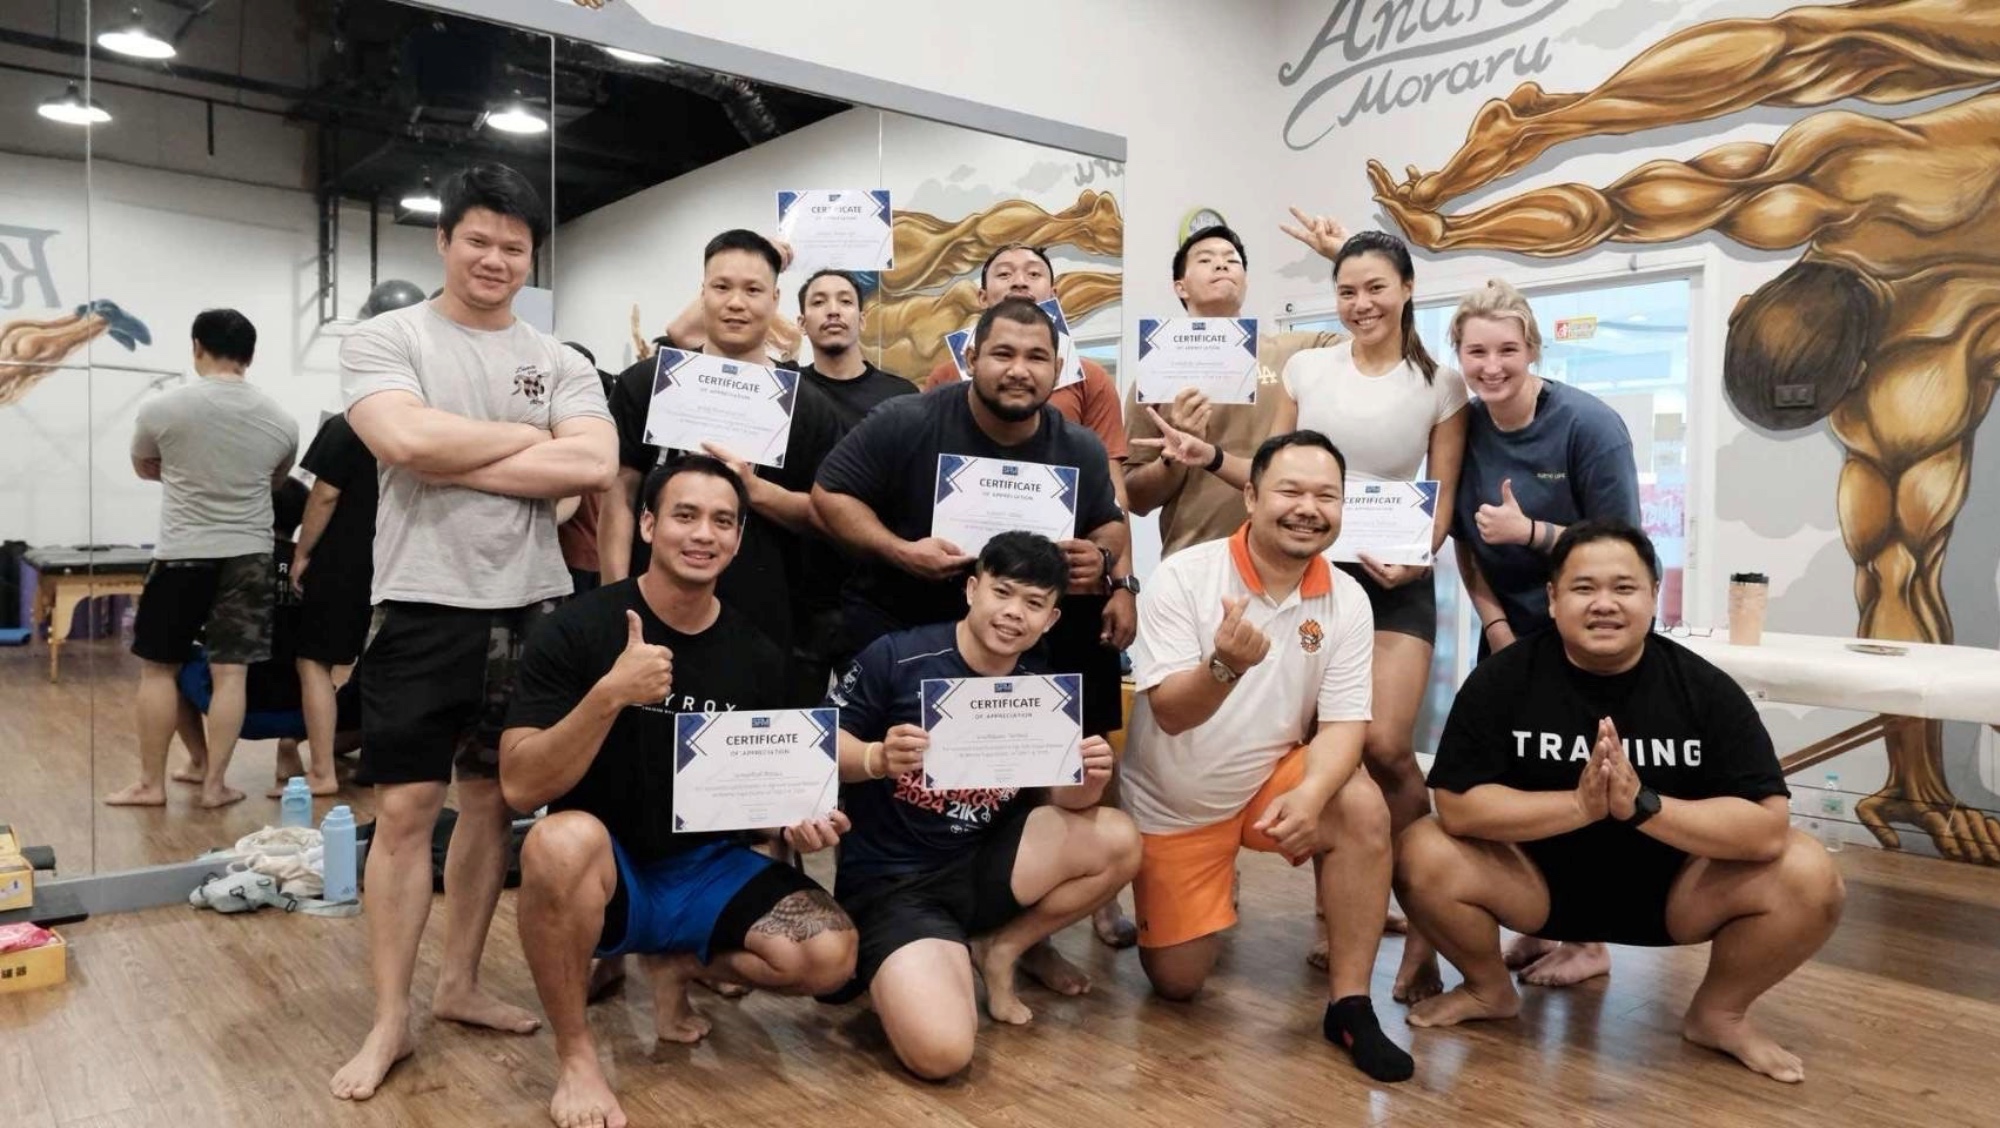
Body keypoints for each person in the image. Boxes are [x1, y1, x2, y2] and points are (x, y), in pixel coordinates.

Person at [329, 163, 617, 1102]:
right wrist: (533, 446)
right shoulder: (387, 337)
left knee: (492, 802)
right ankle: (390, 1019)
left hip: (533, 602)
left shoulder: (560, 356)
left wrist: (457, 446)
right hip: (418, 601)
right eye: (478, 240)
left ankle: (456, 988)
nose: (495, 259)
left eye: (514, 246)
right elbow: (403, 445)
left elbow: (599, 461)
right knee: (408, 815)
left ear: (533, 257)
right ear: (444, 241)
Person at [1131, 225, 1467, 996]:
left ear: (1410, 289)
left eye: (1377, 287)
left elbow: (1442, 492)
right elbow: (1274, 468)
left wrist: (1422, 552)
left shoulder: (1441, 384)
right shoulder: (1306, 365)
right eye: (1346, 290)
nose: (1360, 302)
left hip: (1392, 576)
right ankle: (1330, 910)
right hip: (1309, 564)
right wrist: (1207, 455)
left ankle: (1425, 915)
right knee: (1304, 739)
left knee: (1380, 747)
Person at [1399, 521, 1844, 1084]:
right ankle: (1489, 990)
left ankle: (1718, 1014)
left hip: (1679, 895)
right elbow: (1458, 806)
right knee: (1422, 848)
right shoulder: (1504, 679)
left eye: (1624, 588)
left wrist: (1643, 806)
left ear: (1655, 596)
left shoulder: (1702, 689)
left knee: (1809, 872)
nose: (1604, 604)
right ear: (1553, 599)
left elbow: (1766, 828)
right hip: (1535, 888)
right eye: (1584, 588)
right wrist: (1580, 806)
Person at [503, 455, 857, 1128]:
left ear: (739, 539)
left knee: (830, 954)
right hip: (609, 867)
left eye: (723, 521)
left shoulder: (757, 652)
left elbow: (777, 782)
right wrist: (610, 694)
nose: (703, 535)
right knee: (557, 839)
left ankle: (677, 964)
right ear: (646, 524)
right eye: (685, 516)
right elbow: (521, 785)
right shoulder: (579, 630)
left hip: (704, 868)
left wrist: (799, 819)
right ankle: (577, 1056)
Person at [814, 296, 1133, 976]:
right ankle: (878, 929)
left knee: (1006, 788)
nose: (1019, 371)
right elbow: (831, 495)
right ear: (972, 358)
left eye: (1037, 357)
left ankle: (1013, 936)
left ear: (1058, 367)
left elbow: (1110, 525)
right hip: (896, 630)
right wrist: (901, 550)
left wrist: (1103, 563)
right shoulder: (909, 420)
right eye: (1004, 354)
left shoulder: (1075, 446)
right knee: (888, 790)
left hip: (1011, 647)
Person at [1122, 430, 1413, 1083]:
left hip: (1269, 784)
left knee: (1358, 802)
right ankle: (1212, 880)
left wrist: (1310, 799)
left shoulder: (1348, 598)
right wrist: (1224, 665)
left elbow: (1343, 726)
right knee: (1177, 984)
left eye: (1326, 496)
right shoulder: (1183, 577)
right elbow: (1171, 713)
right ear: (1251, 496)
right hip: (1177, 804)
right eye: (1290, 490)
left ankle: (1350, 1005)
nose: (1307, 507)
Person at [823, 530, 1141, 1080]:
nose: (1015, 613)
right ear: (972, 590)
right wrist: (877, 756)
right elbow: (823, 744)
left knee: (1117, 837)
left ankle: (1000, 948)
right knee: (943, 1055)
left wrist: (1089, 775)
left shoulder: (1040, 687)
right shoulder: (897, 657)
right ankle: (904, 969)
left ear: (1052, 620)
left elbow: (1065, 800)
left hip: (986, 865)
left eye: (1035, 603)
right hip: (897, 884)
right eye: (1004, 592)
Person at [919, 244, 1138, 947]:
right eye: (1004, 275)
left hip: (1065, 606)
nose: (1021, 281)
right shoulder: (940, 380)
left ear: (1056, 294)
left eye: (1034, 274)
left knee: (1075, 755)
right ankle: (956, 906)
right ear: (981, 308)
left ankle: (1067, 909)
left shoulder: (1092, 380)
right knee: (976, 761)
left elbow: (1115, 494)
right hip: (964, 600)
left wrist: (1115, 570)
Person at [1445, 279, 1644, 989]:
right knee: (1517, 778)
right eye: (1476, 351)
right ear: (1459, 355)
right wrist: (1495, 623)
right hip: (1505, 628)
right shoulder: (1463, 427)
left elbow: (1625, 548)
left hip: (1588, 632)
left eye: (1507, 349)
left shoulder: (1589, 427)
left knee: (1584, 775)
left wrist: (1532, 531)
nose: (1492, 366)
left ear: (1533, 349)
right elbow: (1464, 542)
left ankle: (1589, 939)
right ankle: (1538, 920)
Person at [597, 230, 845, 666]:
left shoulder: (809, 407)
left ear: (775, 299)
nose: (736, 303)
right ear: (703, 292)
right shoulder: (648, 383)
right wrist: (615, 597)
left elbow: (824, 517)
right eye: (722, 287)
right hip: (648, 608)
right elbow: (618, 492)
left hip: (761, 618)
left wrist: (754, 488)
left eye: (753, 290)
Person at [105, 308, 299, 810]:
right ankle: (215, 785)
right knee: (231, 673)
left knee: (159, 670)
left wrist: (187, 473)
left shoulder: (162, 409)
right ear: (251, 355)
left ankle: (150, 785)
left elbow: (146, 467)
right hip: (250, 554)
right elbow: (276, 482)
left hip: (183, 553)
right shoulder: (281, 421)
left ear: (196, 347)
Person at [1122, 218, 1342, 556]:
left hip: (1286, 556)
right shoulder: (1156, 375)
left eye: (1232, 259)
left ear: (1245, 281)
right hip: (1193, 555)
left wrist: (1344, 254)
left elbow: (1380, 345)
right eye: (1206, 259)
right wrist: (1173, 456)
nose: (1222, 263)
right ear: (1181, 286)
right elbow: (1136, 499)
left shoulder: (1293, 352)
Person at [791, 268, 917, 699]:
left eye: (845, 301)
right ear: (800, 321)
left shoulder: (902, 397)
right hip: (797, 588)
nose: (833, 311)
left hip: (880, 588)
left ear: (863, 319)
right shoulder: (785, 391)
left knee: (877, 722)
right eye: (819, 301)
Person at [291, 412, 377, 797]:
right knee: (387, 665)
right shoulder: (422, 424)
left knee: (314, 661)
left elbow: (324, 494)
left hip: (343, 562)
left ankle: (323, 772)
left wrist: (302, 553)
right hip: (403, 561)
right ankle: (382, 763)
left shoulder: (348, 426)